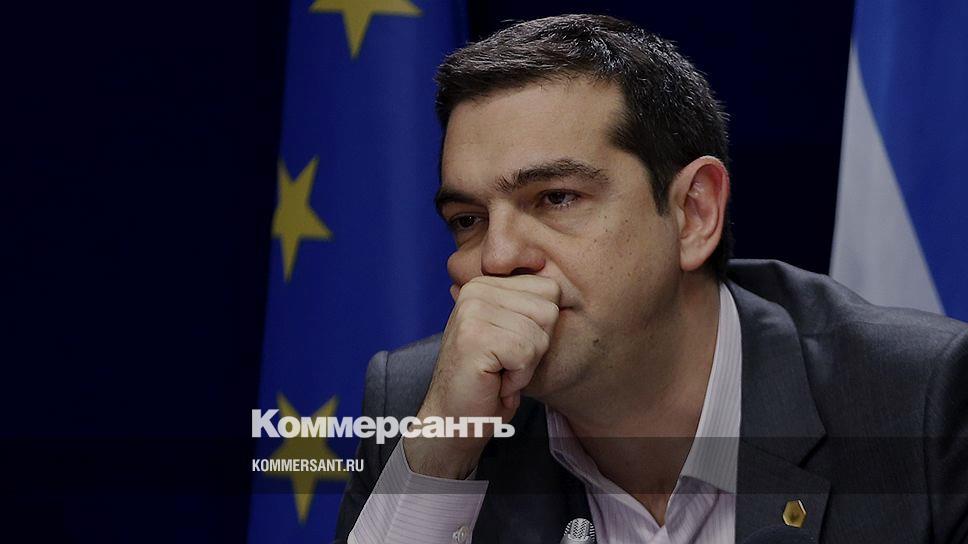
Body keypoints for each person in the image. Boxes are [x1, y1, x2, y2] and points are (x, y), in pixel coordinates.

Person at [334, 14, 968, 544]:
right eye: (468, 220)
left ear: (694, 214)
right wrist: (439, 460)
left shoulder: (917, 398)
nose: (497, 259)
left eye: (556, 198)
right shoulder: (429, 408)